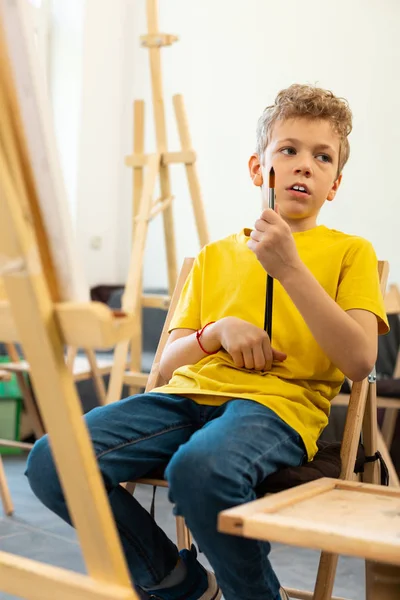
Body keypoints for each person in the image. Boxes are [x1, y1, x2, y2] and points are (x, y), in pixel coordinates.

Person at [26, 84, 389, 600]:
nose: (304, 165)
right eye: (288, 149)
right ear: (258, 169)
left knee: (199, 470)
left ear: (334, 184)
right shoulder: (216, 255)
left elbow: (359, 361)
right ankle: (177, 582)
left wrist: (289, 268)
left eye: (321, 156)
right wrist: (213, 334)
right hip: (180, 399)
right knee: (51, 460)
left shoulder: (351, 252)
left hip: (273, 410)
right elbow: (169, 364)